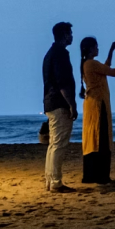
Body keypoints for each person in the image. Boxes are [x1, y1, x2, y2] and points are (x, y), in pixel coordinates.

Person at [79, 37, 115, 184]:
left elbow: (104, 69)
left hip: (92, 105)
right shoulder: (92, 63)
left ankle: (92, 175)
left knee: (93, 139)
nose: (98, 49)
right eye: (96, 47)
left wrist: (111, 52)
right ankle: (101, 175)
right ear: (91, 48)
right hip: (99, 106)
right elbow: (114, 72)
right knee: (101, 138)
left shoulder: (87, 64)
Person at [42, 22, 77, 193]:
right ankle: (55, 182)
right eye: (69, 33)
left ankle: (50, 179)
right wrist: (72, 104)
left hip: (50, 102)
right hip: (58, 103)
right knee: (59, 144)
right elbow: (63, 82)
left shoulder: (51, 53)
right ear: (64, 34)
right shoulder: (60, 54)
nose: (71, 36)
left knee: (53, 144)